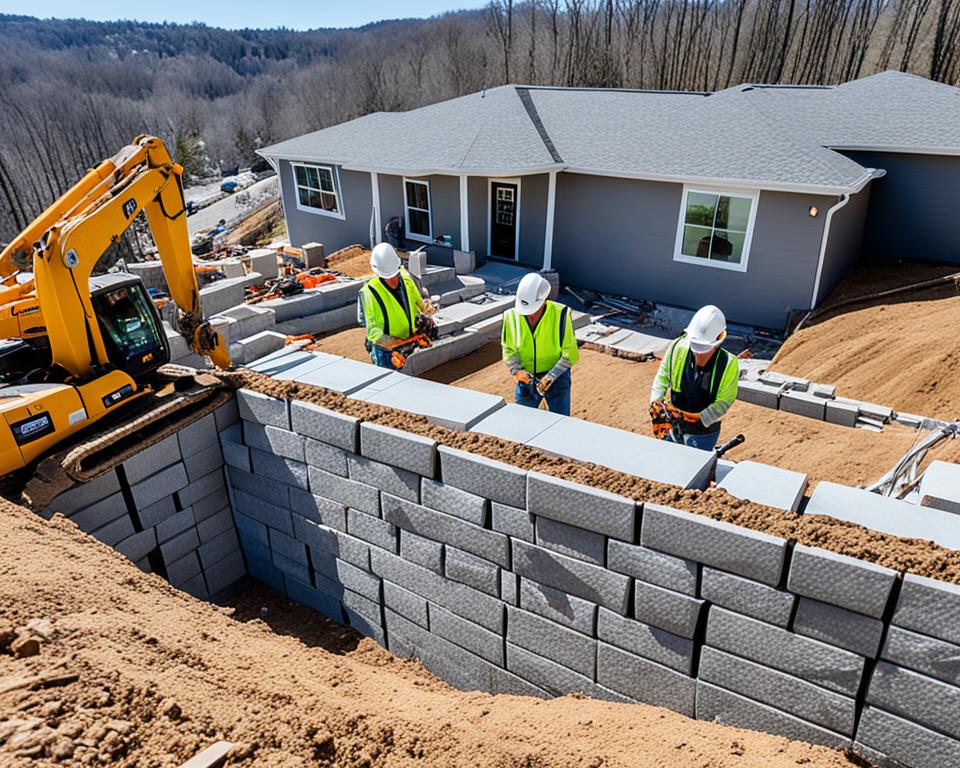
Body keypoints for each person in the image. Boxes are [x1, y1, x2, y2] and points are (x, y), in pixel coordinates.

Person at [649, 305, 739, 451]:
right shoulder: (677, 347)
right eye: (696, 348)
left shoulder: (728, 363)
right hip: (673, 426)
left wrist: (697, 418)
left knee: (695, 470)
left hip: (702, 434)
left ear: (719, 339)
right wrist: (655, 403)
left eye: (704, 350)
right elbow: (663, 377)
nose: (698, 355)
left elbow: (725, 400)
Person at [501, 272, 578, 415]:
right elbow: (508, 349)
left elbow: (570, 354)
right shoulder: (510, 316)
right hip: (526, 379)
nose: (529, 315)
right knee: (523, 421)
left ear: (544, 301)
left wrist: (551, 377)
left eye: (533, 310)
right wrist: (516, 371)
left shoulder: (561, 315)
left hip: (557, 377)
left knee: (560, 421)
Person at [360, 242, 428, 369]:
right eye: (388, 277)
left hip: (408, 343)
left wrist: (427, 311)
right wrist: (396, 344)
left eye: (394, 275)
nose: (393, 280)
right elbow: (373, 331)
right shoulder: (369, 292)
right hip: (385, 352)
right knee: (388, 385)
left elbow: (420, 304)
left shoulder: (406, 280)